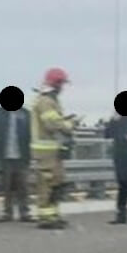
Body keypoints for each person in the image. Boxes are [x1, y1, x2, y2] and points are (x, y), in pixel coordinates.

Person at [30, 68, 77, 229]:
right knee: (47, 184)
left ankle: (53, 214)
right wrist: (69, 125)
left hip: (54, 150)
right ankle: (45, 218)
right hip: (45, 152)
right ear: (56, 83)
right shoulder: (45, 101)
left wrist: (65, 121)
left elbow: (54, 121)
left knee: (58, 183)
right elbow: (52, 124)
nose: (63, 87)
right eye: (62, 83)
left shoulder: (52, 100)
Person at [0, 99, 32, 221]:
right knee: (6, 185)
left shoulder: (26, 113)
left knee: (23, 185)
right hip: (5, 154)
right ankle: (8, 212)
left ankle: (24, 212)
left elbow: (31, 133)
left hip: (22, 155)